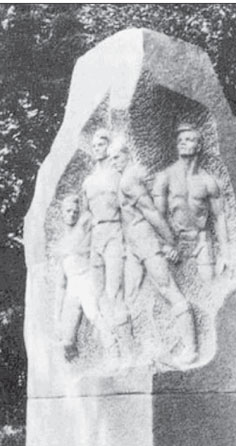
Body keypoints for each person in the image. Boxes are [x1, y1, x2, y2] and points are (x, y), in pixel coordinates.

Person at [108, 138, 198, 367]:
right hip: (133, 246)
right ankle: (138, 352)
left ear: (127, 154)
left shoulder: (129, 180)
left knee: (167, 288)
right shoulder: (126, 177)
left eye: (116, 157)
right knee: (129, 296)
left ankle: (191, 348)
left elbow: (151, 212)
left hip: (146, 241)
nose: (113, 162)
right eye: (110, 159)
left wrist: (170, 241)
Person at [152, 122, 229, 281]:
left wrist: (225, 253)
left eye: (188, 139)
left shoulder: (207, 181)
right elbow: (156, 217)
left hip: (202, 240)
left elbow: (219, 216)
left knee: (209, 282)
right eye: (180, 140)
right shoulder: (165, 177)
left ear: (198, 147)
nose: (182, 142)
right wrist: (165, 245)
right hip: (175, 241)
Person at [81, 129, 133, 357]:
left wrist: (129, 242)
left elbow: (127, 210)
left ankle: (129, 350)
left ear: (108, 145)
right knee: (98, 293)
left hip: (114, 232)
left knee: (115, 292)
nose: (97, 148)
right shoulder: (88, 181)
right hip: (97, 237)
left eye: (101, 144)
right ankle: (113, 350)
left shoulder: (117, 176)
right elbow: (85, 214)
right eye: (94, 145)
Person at [54, 193, 116, 360]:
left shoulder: (83, 229)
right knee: (67, 339)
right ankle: (76, 366)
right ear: (62, 213)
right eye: (68, 211)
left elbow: (92, 216)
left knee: (95, 316)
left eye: (75, 211)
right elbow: (61, 284)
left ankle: (114, 354)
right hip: (72, 288)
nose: (72, 215)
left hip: (86, 280)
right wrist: (56, 316)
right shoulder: (60, 245)